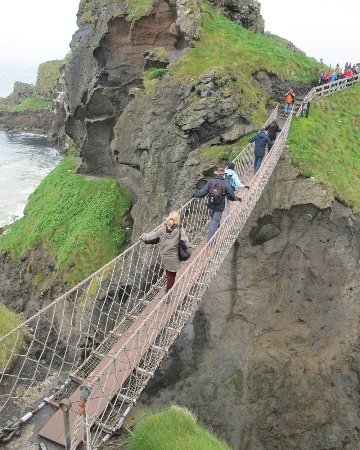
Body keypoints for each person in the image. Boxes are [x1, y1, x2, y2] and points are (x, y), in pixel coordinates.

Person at [139, 211, 190, 293]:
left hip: (164, 257)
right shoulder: (180, 231)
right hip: (174, 258)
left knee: (168, 270)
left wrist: (143, 237)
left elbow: (152, 238)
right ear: (178, 220)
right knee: (172, 275)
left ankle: (168, 283)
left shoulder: (162, 229)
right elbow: (186, 244)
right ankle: (168, 292)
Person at [194, 167, 239, 242]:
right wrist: (233, 198)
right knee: (215, 222)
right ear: (223, 175)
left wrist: (195, 194)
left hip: (211, 204)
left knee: (213, 220)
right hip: (220, 206)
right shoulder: (225, 183)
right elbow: (232, 195)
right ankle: (210, 241)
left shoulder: (211, 181)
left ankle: (213, 233)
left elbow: (203, 192)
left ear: (217, 174)